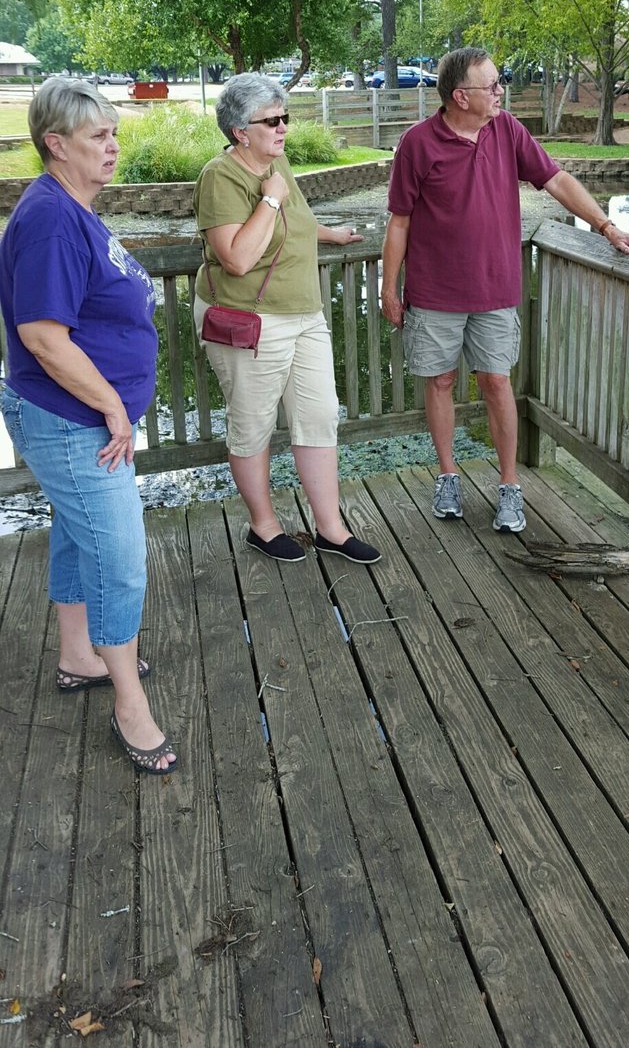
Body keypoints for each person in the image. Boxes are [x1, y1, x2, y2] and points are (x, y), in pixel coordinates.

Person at [381, 46, 629, 531]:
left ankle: (509, 487)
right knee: (439, 382)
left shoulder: (508, 131)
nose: (501, 91)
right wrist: (388, 289)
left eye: (499, 82)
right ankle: (447, 477)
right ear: (461, 96)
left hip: (496, 288)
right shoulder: (417, 144)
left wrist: (608, 228)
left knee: (497, 382)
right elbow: (399, 223)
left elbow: (557, 179)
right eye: (493, 85)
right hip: (434, 291)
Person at [0, 77, 176, 775]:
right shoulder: (47, 218)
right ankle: (129, 704)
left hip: (80, 418)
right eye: (98, 136)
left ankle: (79, 655)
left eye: (114, 132)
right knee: (120, 560)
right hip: (71, 419)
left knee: (78, 536)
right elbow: (43, 335)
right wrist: (110, 402)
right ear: (55, 143)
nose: (114, 146)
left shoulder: (70, 207)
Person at [193, 72, 381, 565]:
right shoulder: (223, 176)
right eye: (271, 120)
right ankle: (264, 525)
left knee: (319, 417)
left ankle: (331, 529)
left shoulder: (278, 164)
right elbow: (235, 256)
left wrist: (328, 234)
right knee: (253, 425)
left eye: (285, 118)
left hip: (304, 315)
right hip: (250, 320)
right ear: (240, 131)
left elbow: (290, 224)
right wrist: (271, 197)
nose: (283, 128)